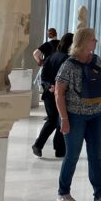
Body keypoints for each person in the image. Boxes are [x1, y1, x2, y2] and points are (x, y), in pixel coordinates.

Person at [54, 27, 101, 201]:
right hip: (74, 117)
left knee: (95, 155)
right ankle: (63, 192)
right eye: (93, 39)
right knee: (72, 156)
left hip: (95, 115)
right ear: (83, 42)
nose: (96, 42)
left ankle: (100, 194)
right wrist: (64, 120)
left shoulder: (96, 60)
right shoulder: (69, 65)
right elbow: (58, 94)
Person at [31, 31, 72, 159]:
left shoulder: (51, 57)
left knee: (54, 120)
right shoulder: (67, 59)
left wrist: (49, 87)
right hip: (59, 95)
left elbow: (43, 77)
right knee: (59, 119)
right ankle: (57, 149)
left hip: (49, 95)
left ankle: (42, 145)